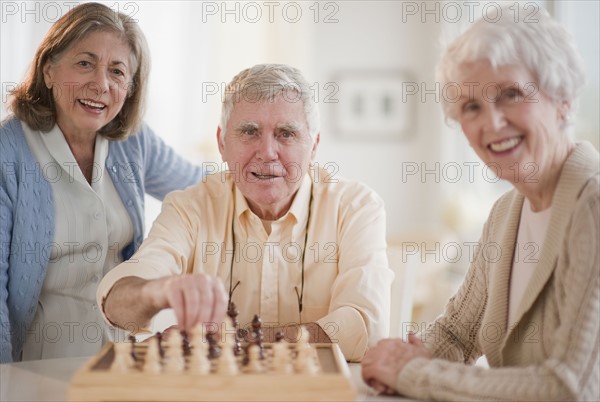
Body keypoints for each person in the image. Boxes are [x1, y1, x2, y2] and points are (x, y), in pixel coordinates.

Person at [361, 5, 599, 401]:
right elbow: (457, 333)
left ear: (564, 100)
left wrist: (412, 372)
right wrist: (401, 356)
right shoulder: (507, 211)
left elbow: (569, 389)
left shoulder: (591, 207)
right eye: (472, 106)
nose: (492, 123)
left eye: (510, 95)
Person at [97, 63, 393, 362]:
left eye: (286, 133)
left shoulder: (356, 207)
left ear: (313, 146)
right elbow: (118, 305)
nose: (267, 152)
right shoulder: (189, 207)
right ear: (222, 143)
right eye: (249, 131)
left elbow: (365, 327)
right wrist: (157, 291)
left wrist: (233, 340)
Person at [0, 3, 204, 363]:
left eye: (117, 71)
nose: (101, 84)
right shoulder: (9, 150)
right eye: (85, 63)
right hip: (37, 367)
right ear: (48, 69)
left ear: (129, 87)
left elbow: (205, 194)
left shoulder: (133, 142)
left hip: (125, 363)